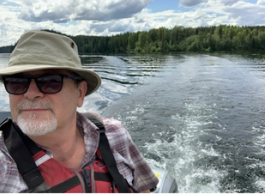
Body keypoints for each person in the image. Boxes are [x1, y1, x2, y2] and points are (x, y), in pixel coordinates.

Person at [0, 30, 158, 193]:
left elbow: (143, 189)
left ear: (80, 93)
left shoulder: (115, 135)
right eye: (16, 82)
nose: (30, 93)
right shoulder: (3, 167)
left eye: (50, 81)